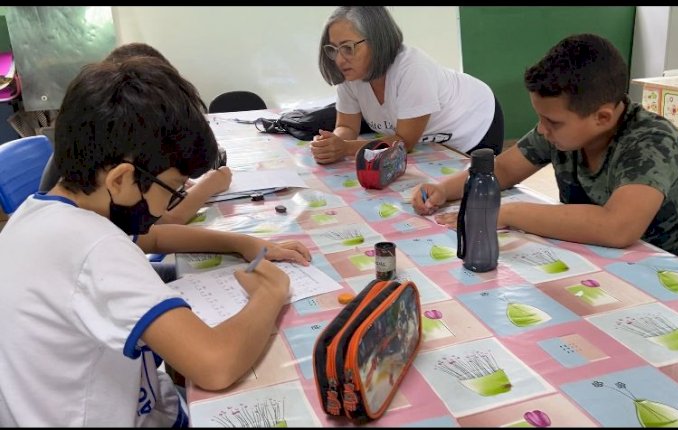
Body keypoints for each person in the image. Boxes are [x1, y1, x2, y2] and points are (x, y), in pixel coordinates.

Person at [0, 57, 311, 426]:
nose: (173, 204)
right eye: (175, 190)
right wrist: (270, 294)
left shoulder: (53, 213)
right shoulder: (94, 247)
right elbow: (216, 363)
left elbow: (155, 235)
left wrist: (240, 243)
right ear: (120, 180)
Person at [412, 33, 678, 272]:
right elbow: (503, 170)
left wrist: (507, 213)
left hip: (676, 272)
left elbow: (617, 227)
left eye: (552, 121)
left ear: (603, 117)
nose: (542, 129)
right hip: (603, 261)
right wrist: (443, 189)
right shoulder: (562, 133)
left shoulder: (651, 141)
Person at [39, 42, 232, 226]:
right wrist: (209, 184)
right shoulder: (98, 220)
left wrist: (169, 182)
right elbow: (166, 221)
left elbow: (151, 236)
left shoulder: (87, 149)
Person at [310, 6, 504, 165]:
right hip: (429, 140)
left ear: (378, 41)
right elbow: (345, 125)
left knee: (467, 194)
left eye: (348, 48)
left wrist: (345, 148)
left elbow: (404, 142)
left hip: (475, 122)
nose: (340, 59)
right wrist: (333, 142)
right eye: (333, 49)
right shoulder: (351, 75)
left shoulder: (412, 69)